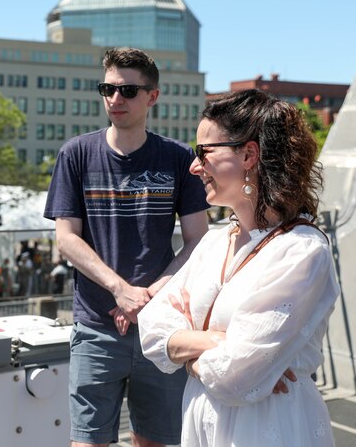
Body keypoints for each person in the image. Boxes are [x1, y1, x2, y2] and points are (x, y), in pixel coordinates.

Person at [138, 89, 340, 447]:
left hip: (268, 428)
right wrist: (216, 344)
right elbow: (152, 326)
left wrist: (187, 350)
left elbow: (236, 376)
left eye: (204, 152)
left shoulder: (300, 250)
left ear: (249, 154)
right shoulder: (215, 242)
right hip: (204, 421)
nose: (194, 165)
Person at [44, 47, 210, 447]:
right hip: (96, 326)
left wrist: (146, 297)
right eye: (108, 89)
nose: (116, 99)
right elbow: (66, 238)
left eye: (128, 91)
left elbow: (197, 240)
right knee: (87, 441)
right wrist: (120, 290)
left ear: (152, 96)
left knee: (154, 440)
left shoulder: (177, 157)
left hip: (163, 325)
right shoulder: (77, 154)